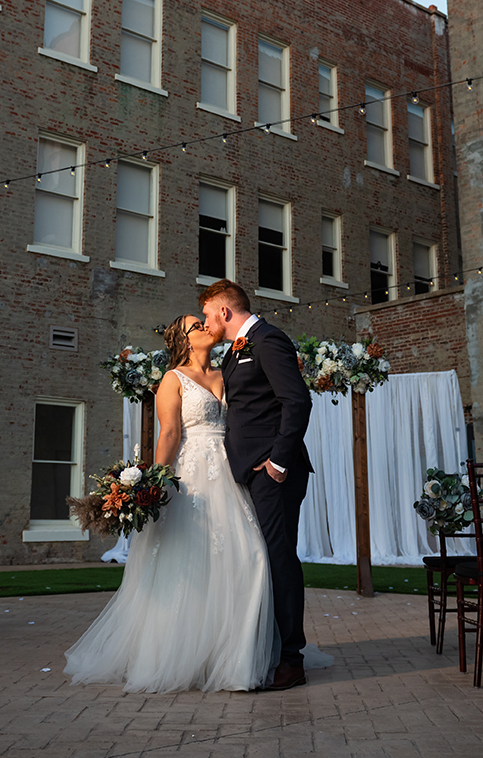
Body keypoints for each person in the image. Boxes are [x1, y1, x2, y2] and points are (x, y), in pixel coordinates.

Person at [64, 314, 275, 692]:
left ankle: (234, 659)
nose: (205, 326)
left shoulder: (227, 373)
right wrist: (153, 486)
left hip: (230, 472)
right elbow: (170, 434)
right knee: (188, 563)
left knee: (249, 556)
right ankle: (179, 656)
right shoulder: (173, 379)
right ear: (183, 340)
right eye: (196, 325)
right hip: (191, 477)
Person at [199, 279, 313, 691]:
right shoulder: (235, 350)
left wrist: (278, 463)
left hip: (274, 474)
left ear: (224, 311)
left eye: (208, 314)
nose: (206, 322)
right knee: (261, 560)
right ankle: (270, 649)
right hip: (248, 473)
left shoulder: (268, 340)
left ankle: (292, 660)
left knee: (279, 560)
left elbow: (297, 401)